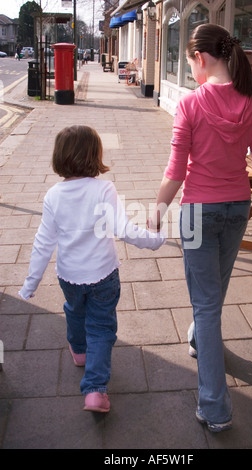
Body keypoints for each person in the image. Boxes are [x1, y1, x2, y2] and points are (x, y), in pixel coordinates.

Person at [148, 24, 252, 433]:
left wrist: (156, 208)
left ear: (201, 59)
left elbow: (176, 170)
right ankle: (198, 337)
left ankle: (215, 408)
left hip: (197, 214)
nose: (192, 74)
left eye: (191, 64)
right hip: (237, 209)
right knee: (213, 294)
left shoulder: (190, 104)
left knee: (207, 303)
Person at [19, 125, 166, 413]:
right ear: (94, 155)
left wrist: (30, 284)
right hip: (103, 276)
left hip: (69, 276)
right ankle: (95, 391)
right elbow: (123, 230)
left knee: (74, 312)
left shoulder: (53, 196)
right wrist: (155, 240)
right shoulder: (103, 189)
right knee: (100, 328)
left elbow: (43, 243)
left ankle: (78, 352)